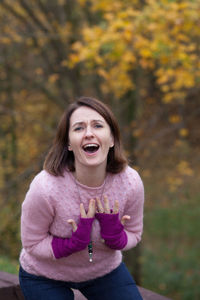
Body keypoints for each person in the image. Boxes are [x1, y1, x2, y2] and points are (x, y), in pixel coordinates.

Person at [19, 96, 144, 300]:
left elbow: (134, 234)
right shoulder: (45, 187)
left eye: (97, 125)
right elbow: (31, 244)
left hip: (104, 272)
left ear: (112, 139)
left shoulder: (130, 182)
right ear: (68, 143)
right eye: (78, 128)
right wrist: (73, 244)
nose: (88, 133)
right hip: (43, 275)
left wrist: (115, 237)